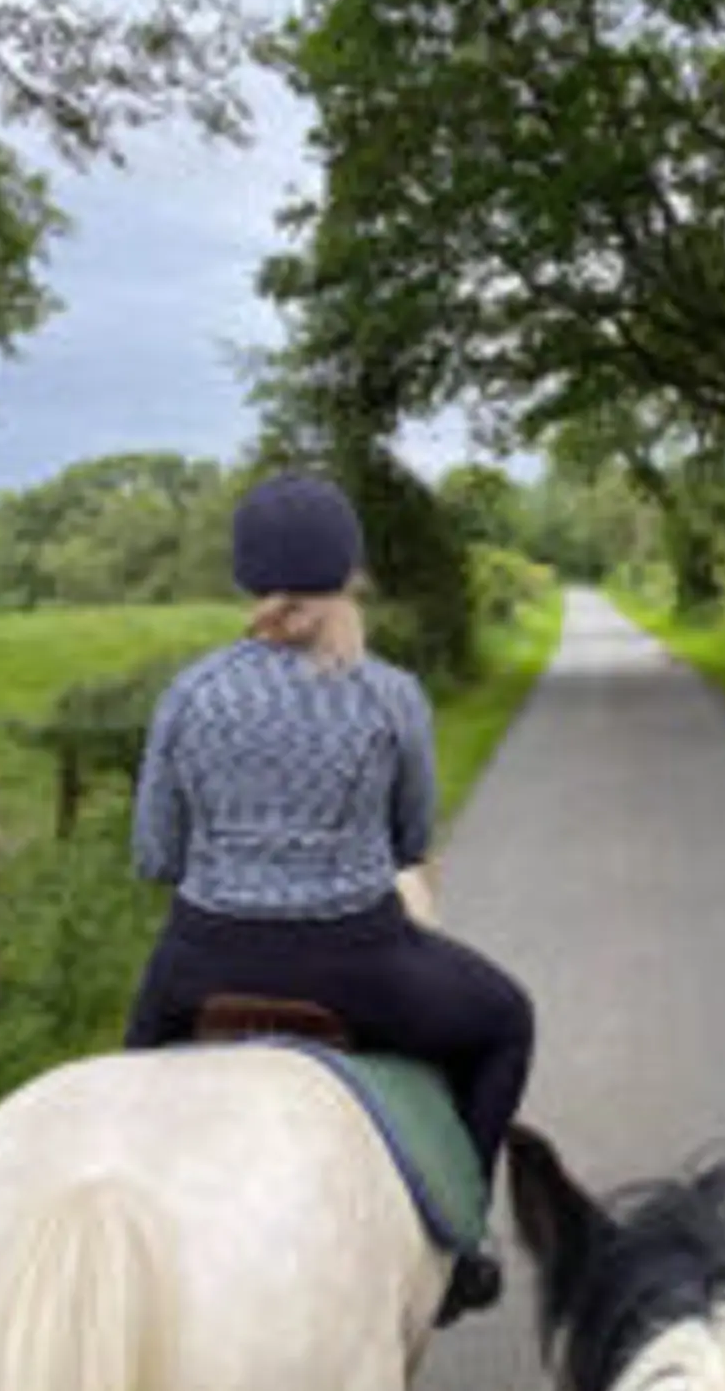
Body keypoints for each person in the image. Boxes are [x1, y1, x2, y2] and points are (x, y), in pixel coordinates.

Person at [123, 471, 535, 1325]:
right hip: (359, 965)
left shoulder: (189, 694)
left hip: (199, 965)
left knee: (120, 1116)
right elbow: (411, 841)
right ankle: (463, 1243)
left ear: (247, 578)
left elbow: (156, 854)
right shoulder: (389, 695)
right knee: (505, 1022)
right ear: (350, 574)